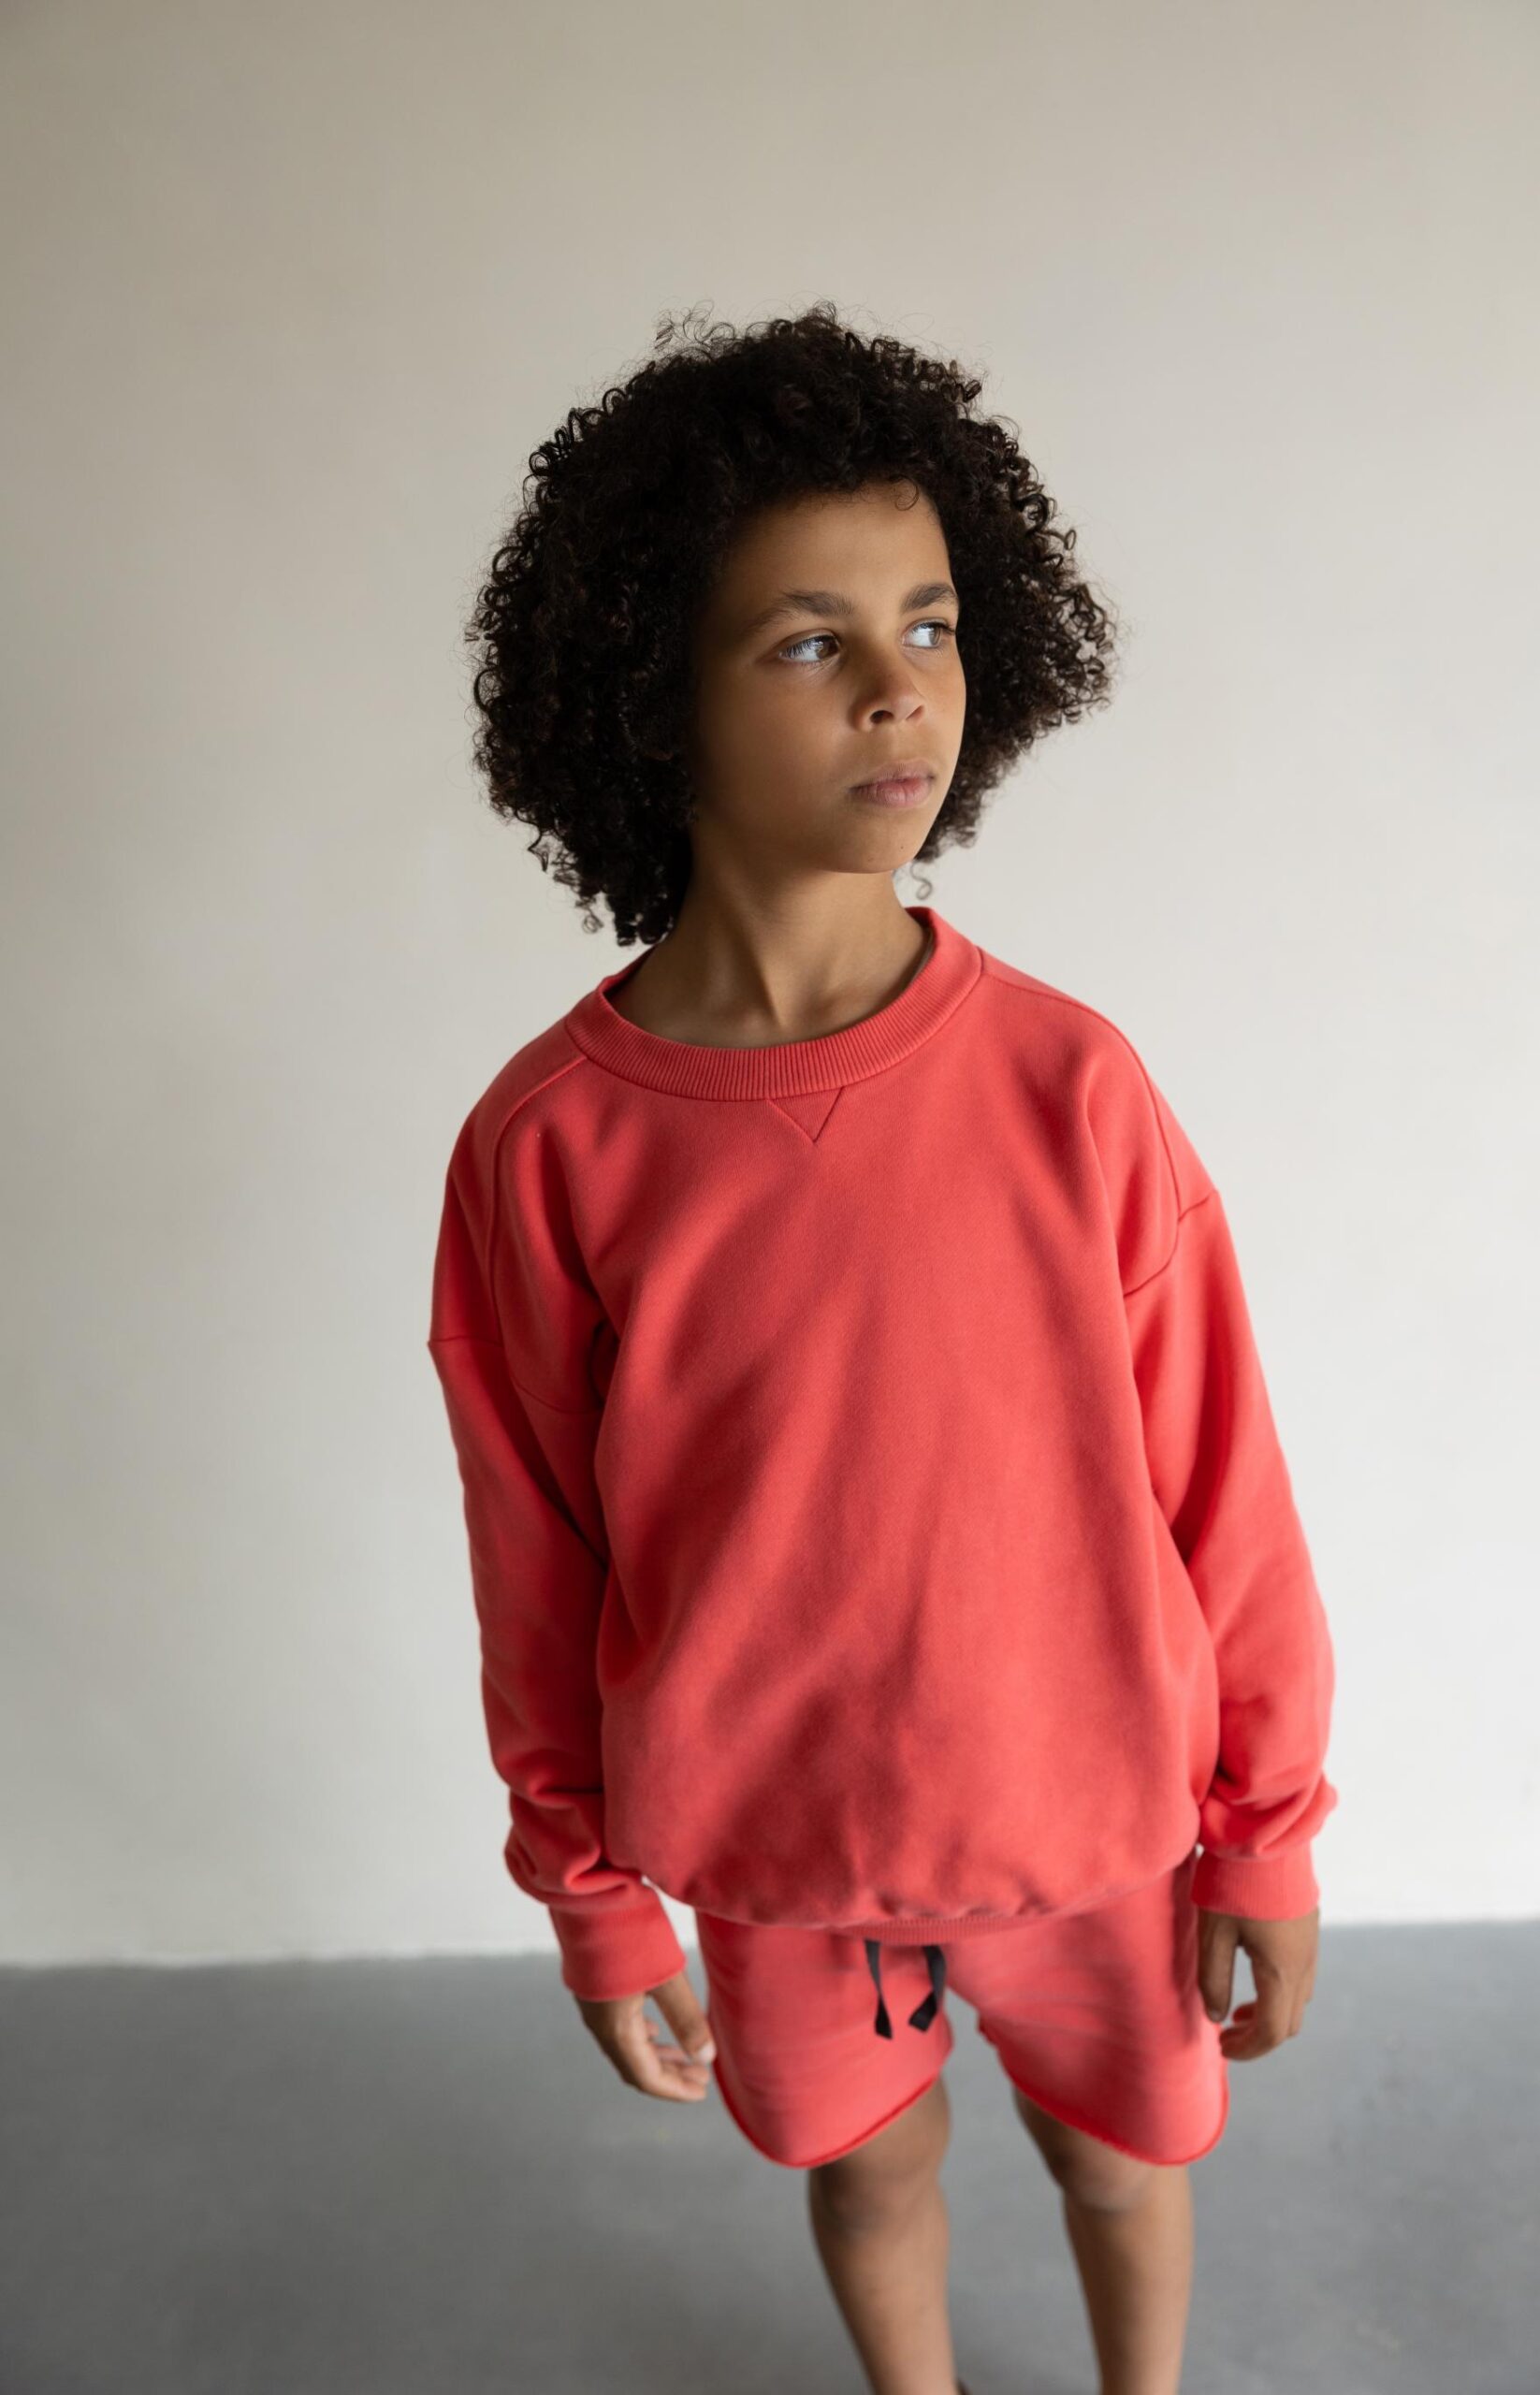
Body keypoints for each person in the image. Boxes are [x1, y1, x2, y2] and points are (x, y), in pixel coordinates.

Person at [426, 302, 1337, 2395]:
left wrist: (1264, 1822)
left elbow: (1225, 1485)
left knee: (1118, 2163)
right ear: (650, 695)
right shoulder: (548, 1148)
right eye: (806, 641)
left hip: (1093, 1809)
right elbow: (535, 1552)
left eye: (927, 623)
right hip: (770, 1849)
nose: (900, 685)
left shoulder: (1067, 1086)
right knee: (869, 2170)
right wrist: (588, 1887)